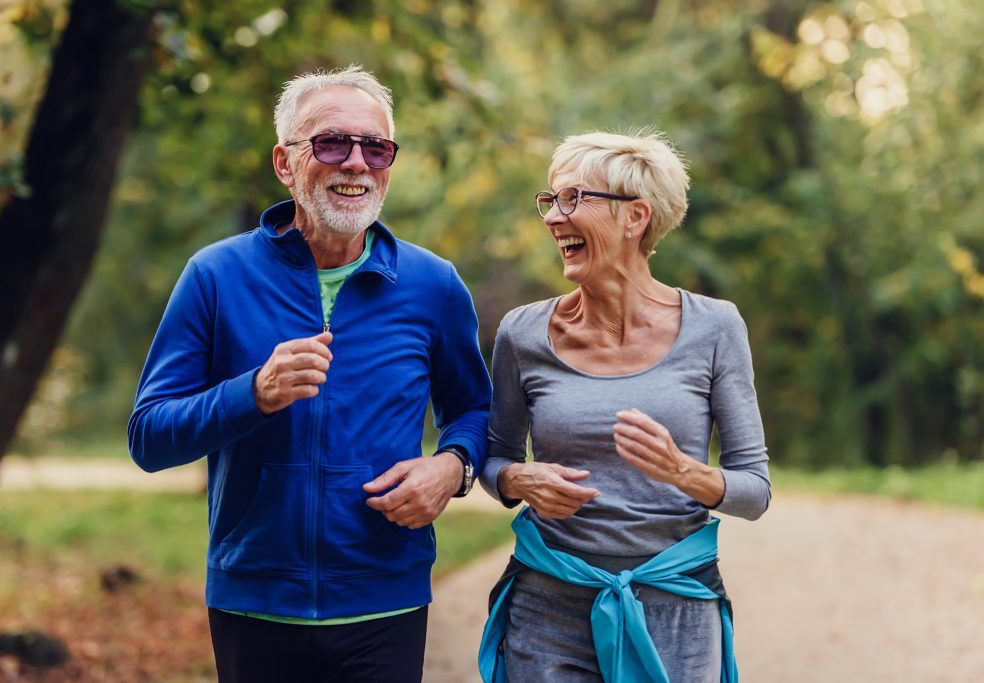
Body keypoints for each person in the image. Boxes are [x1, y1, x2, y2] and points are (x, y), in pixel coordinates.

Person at [128, 65, 491, 683]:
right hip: (254, 601)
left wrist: (451, 468)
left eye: (375, 147)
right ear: (285, 162)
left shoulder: (433, 285)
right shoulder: (215, 276)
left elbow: (476, 412)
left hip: (387, 599)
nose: (355, 163)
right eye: (331, 143)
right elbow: (149, 437)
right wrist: (253, 394)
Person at [477, 130, 770, 683]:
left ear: (635, 217)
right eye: (550, 200)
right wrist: (519, 479)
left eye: (573, 199)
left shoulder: (715, 327)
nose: (553, 218)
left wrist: (684, 472)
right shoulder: (522, 333)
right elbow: (493, 462)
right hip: (548, 607)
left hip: (676, 607)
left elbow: (755, 491)